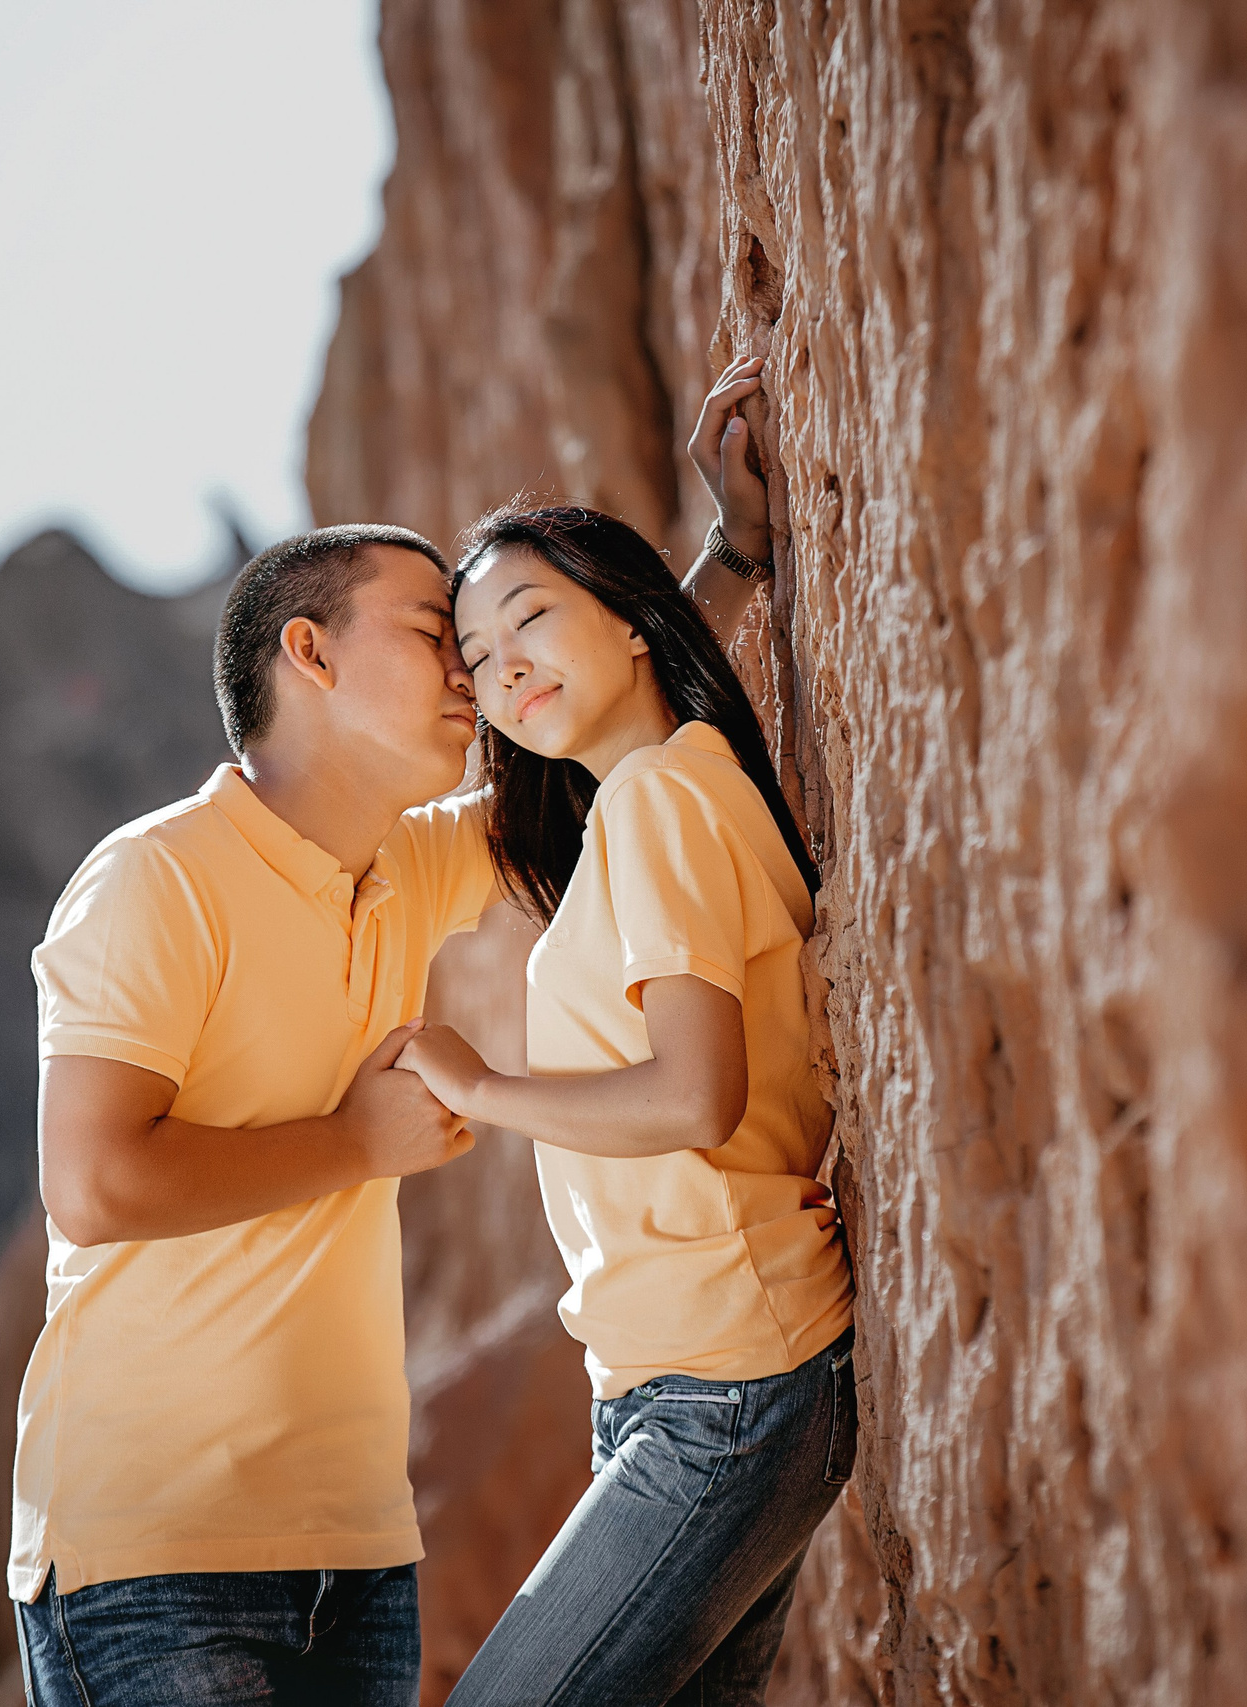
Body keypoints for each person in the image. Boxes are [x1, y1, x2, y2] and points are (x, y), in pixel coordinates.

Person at [9, 359, 776, 1705]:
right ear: (310, 654)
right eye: (436, 636)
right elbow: (95, 1182)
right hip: (150, 1565)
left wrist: (728, 558)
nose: (476, 673)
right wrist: (355, 1139)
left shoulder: (404, 867)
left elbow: (595, 722)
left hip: (356, 1562)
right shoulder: (156, 877)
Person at [394, 382, 854, 1706]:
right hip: (694, 1383)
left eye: (530, 618)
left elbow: (695, 1094)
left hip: (727, 1389)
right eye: (477, 661)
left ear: (631, 620)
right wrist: (737, 557)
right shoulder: (666, 793)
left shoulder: (658, 803)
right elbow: (632, 667)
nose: (507, 670)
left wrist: (484, 1085)